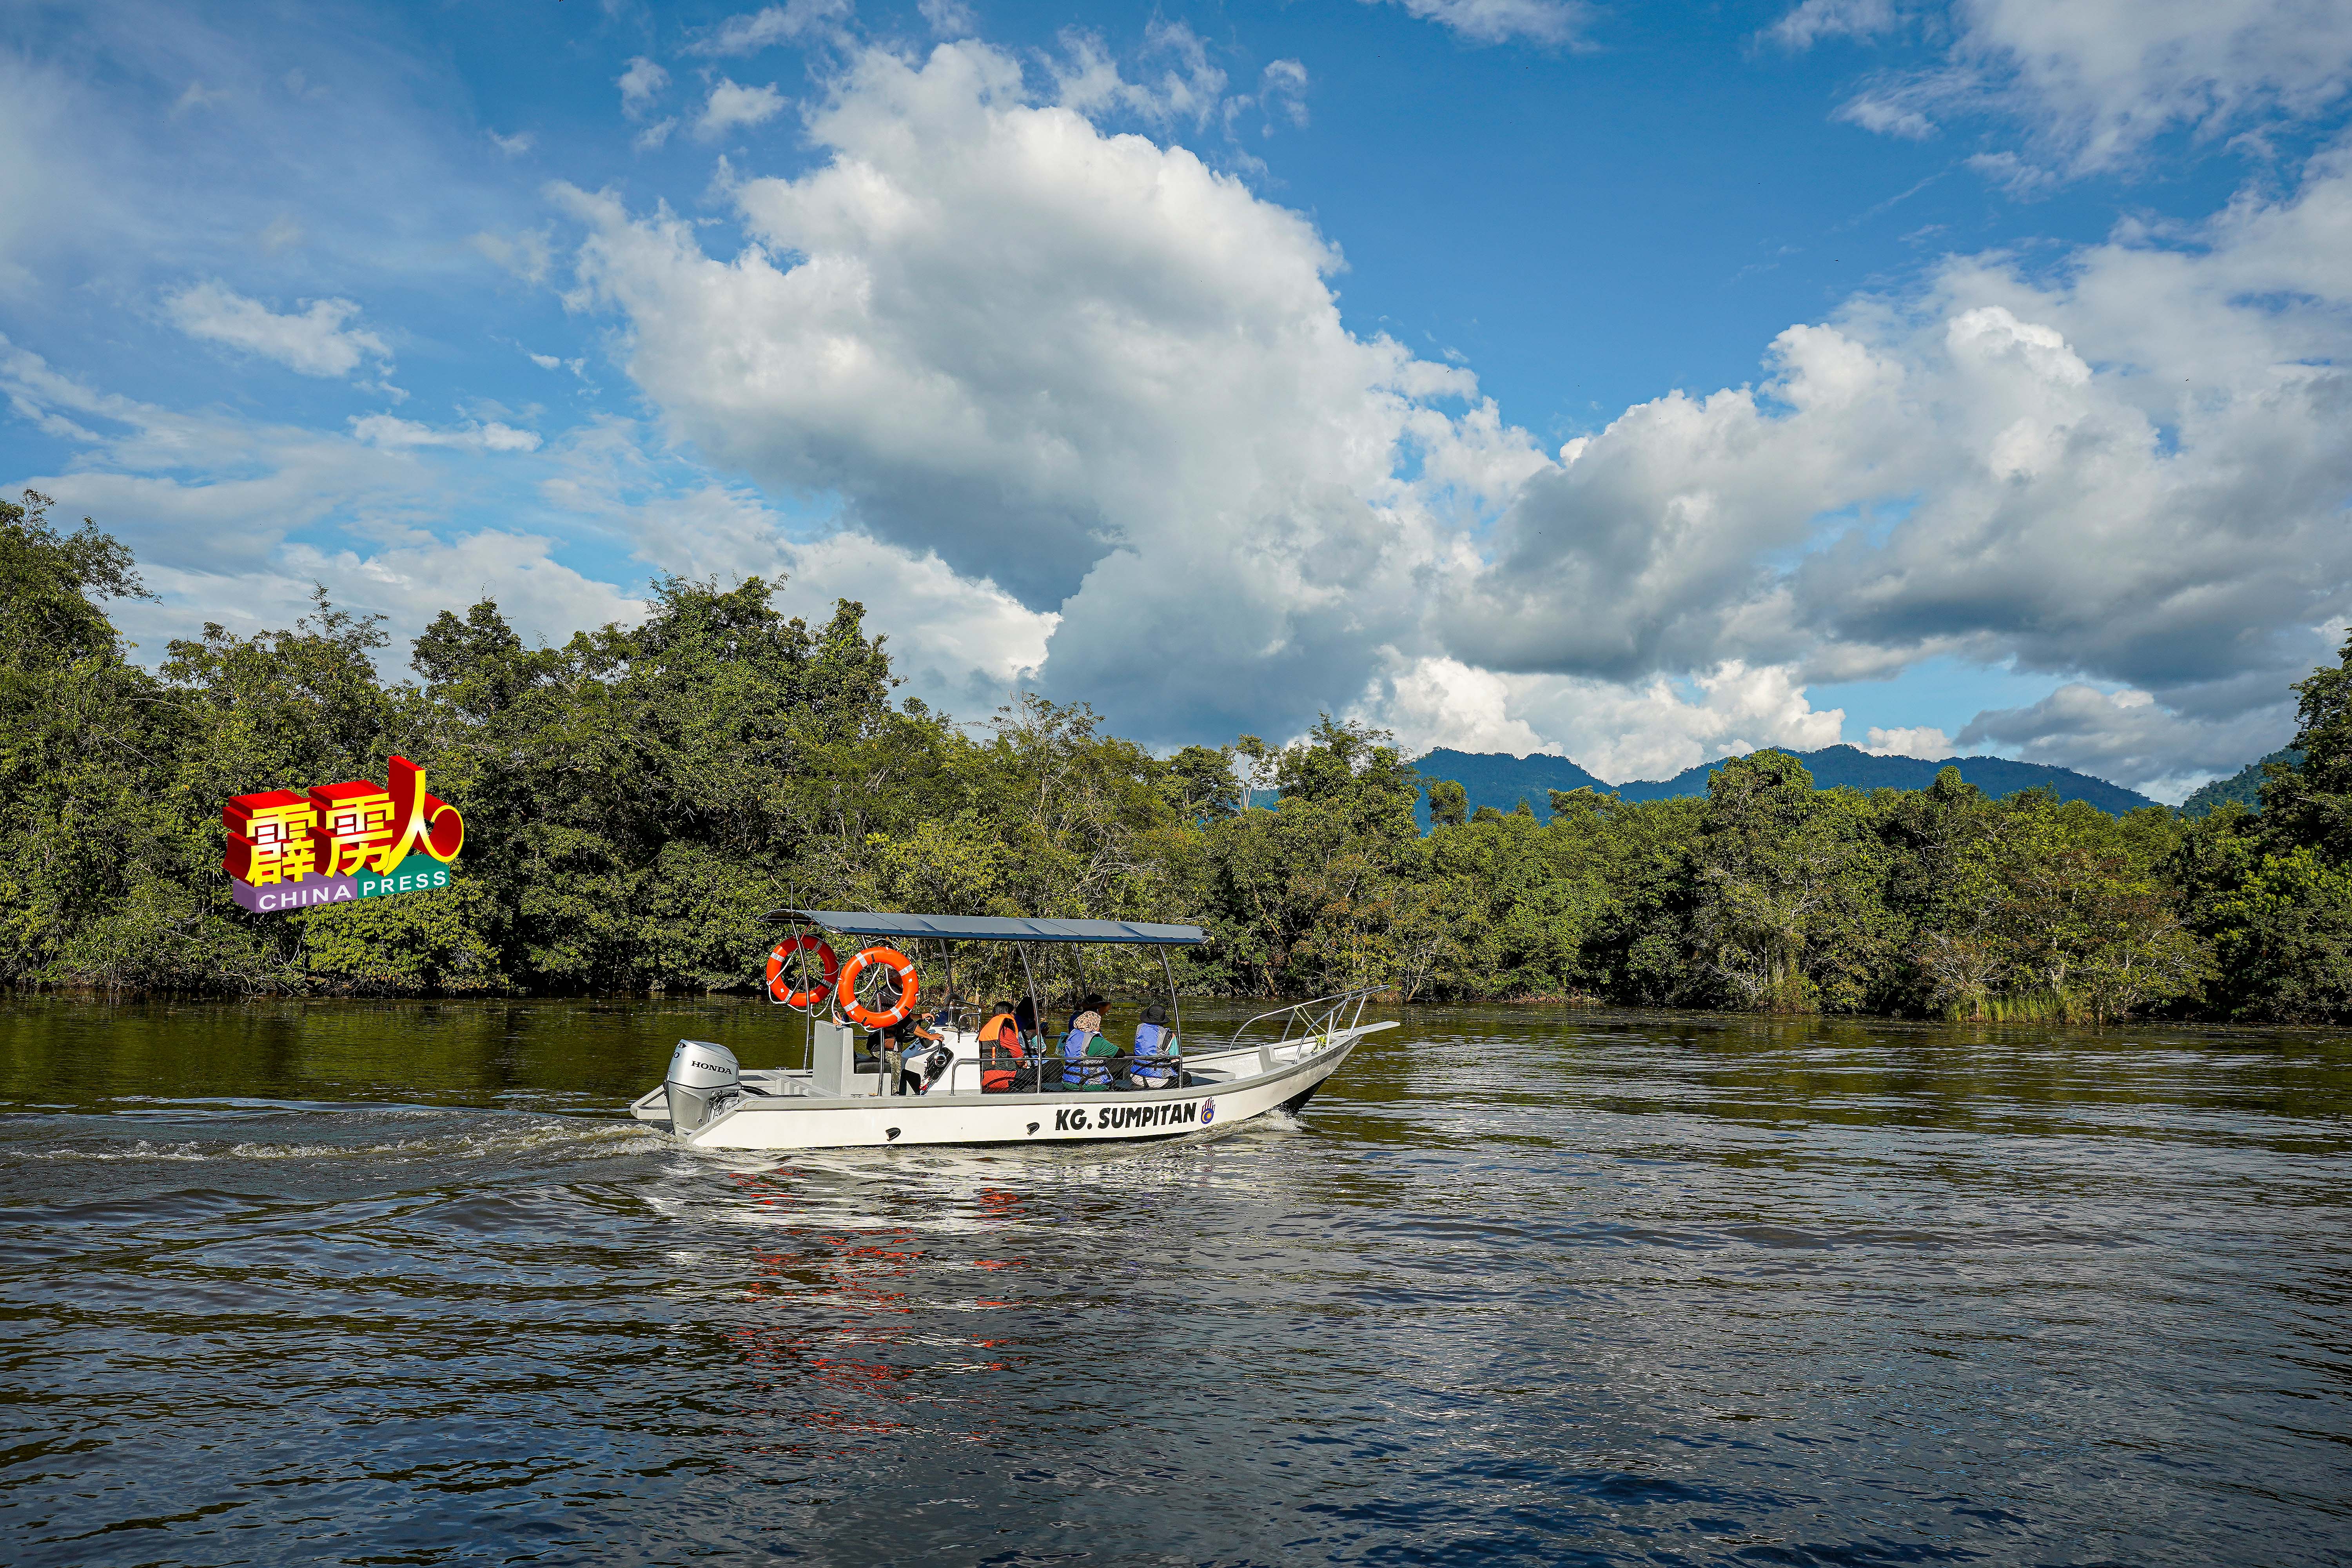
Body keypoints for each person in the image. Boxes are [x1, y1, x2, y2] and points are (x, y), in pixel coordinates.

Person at [887, 1008, 946, 1094]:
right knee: (895, 1071)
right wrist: (929, 1036)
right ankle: (893, 1097)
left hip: (879, 1046)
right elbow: (908, 1024)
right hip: (888, 1047)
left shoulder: (888, 1000)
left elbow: (902, 1015)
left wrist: (920, 1016)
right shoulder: (891, 999)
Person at [978, 1003, 1026, 1093]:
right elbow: (1020, 1059)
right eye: (1013, 1013)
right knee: (1051, 1067)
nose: (1014, 1016)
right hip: (1005, 1078)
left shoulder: (985, 1029)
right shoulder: (1006, 1031)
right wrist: (1024, 1063)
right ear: (1007, 1014)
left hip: (985, 1078)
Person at [1128, 1003, 1178, 1089]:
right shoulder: (1170, 1036)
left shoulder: (1139, 1029)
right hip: (1158, 1081)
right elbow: (1175, 1061)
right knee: (1186, 1078)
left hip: (1136, 1078)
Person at [1062, 1009, 1112, 1089]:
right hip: (1089, 1084)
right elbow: (1120, 1053)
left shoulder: (1073, 1035)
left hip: (1068, 1082)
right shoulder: (1096, 1040)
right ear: (1093, 1024)